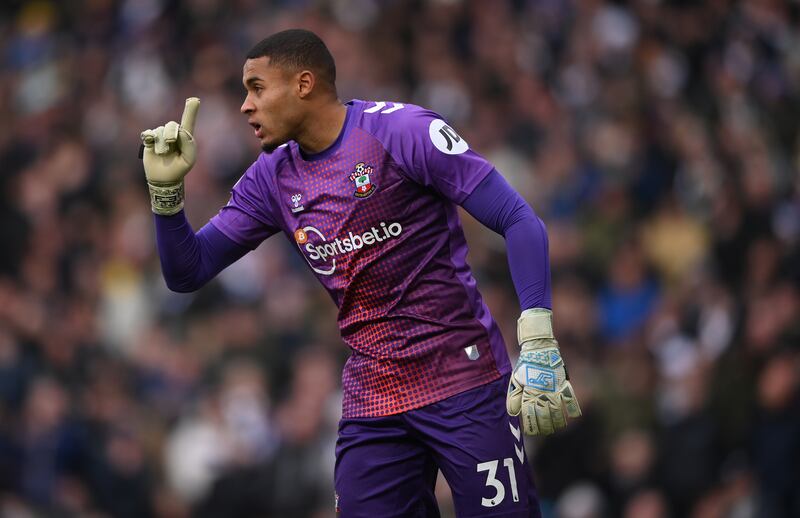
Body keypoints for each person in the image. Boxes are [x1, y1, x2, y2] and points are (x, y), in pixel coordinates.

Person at [140, 29, 581, 518]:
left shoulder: (403, 132)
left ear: (303, 84)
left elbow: (519, 220)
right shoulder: (270, 179)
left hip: (464, 377)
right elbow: (189, 271)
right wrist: (166, 197)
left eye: (257, 87)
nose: (245, 105)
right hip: (375, 399)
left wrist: (538, 334)